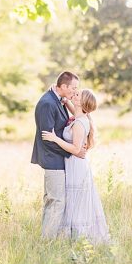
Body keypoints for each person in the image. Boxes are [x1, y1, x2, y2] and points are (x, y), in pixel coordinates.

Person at [42, 88, 110, 245]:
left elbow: (75, 149)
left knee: (77, 201)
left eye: (77, 95)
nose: (74, 94)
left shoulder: (80, 123)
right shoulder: (81, 117)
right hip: (74, 164)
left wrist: (54, 138)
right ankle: (73, 237)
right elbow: (76, 114)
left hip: (76, 166)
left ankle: (80, 239)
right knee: (75, 201)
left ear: (81, 102)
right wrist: (65, 102)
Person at [31, 71, 87, 239]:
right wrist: (72, 151)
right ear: (63, 86)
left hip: (57, 159)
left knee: (53, 201)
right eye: (73, 88)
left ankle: (49, 238)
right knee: (56, 202)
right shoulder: (48, 103)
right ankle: (47, 241)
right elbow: (47, 138)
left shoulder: (59, 100)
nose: (76, 92)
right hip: (52, 160)